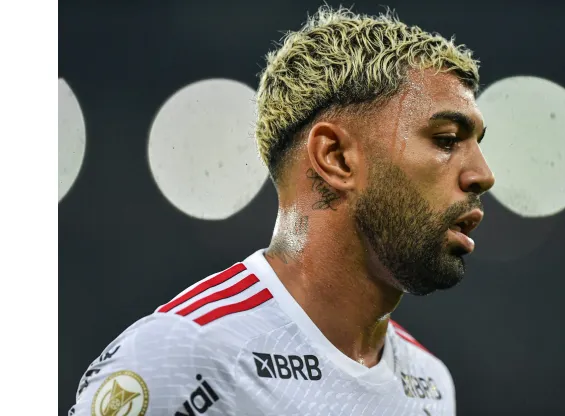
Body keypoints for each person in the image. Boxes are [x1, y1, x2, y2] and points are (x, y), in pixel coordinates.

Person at [70, 6, 494, 416]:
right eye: (446, 139)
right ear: (336, 157)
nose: (482, 175)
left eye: (477, 143)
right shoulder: (182, 355)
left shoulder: (430, 384)